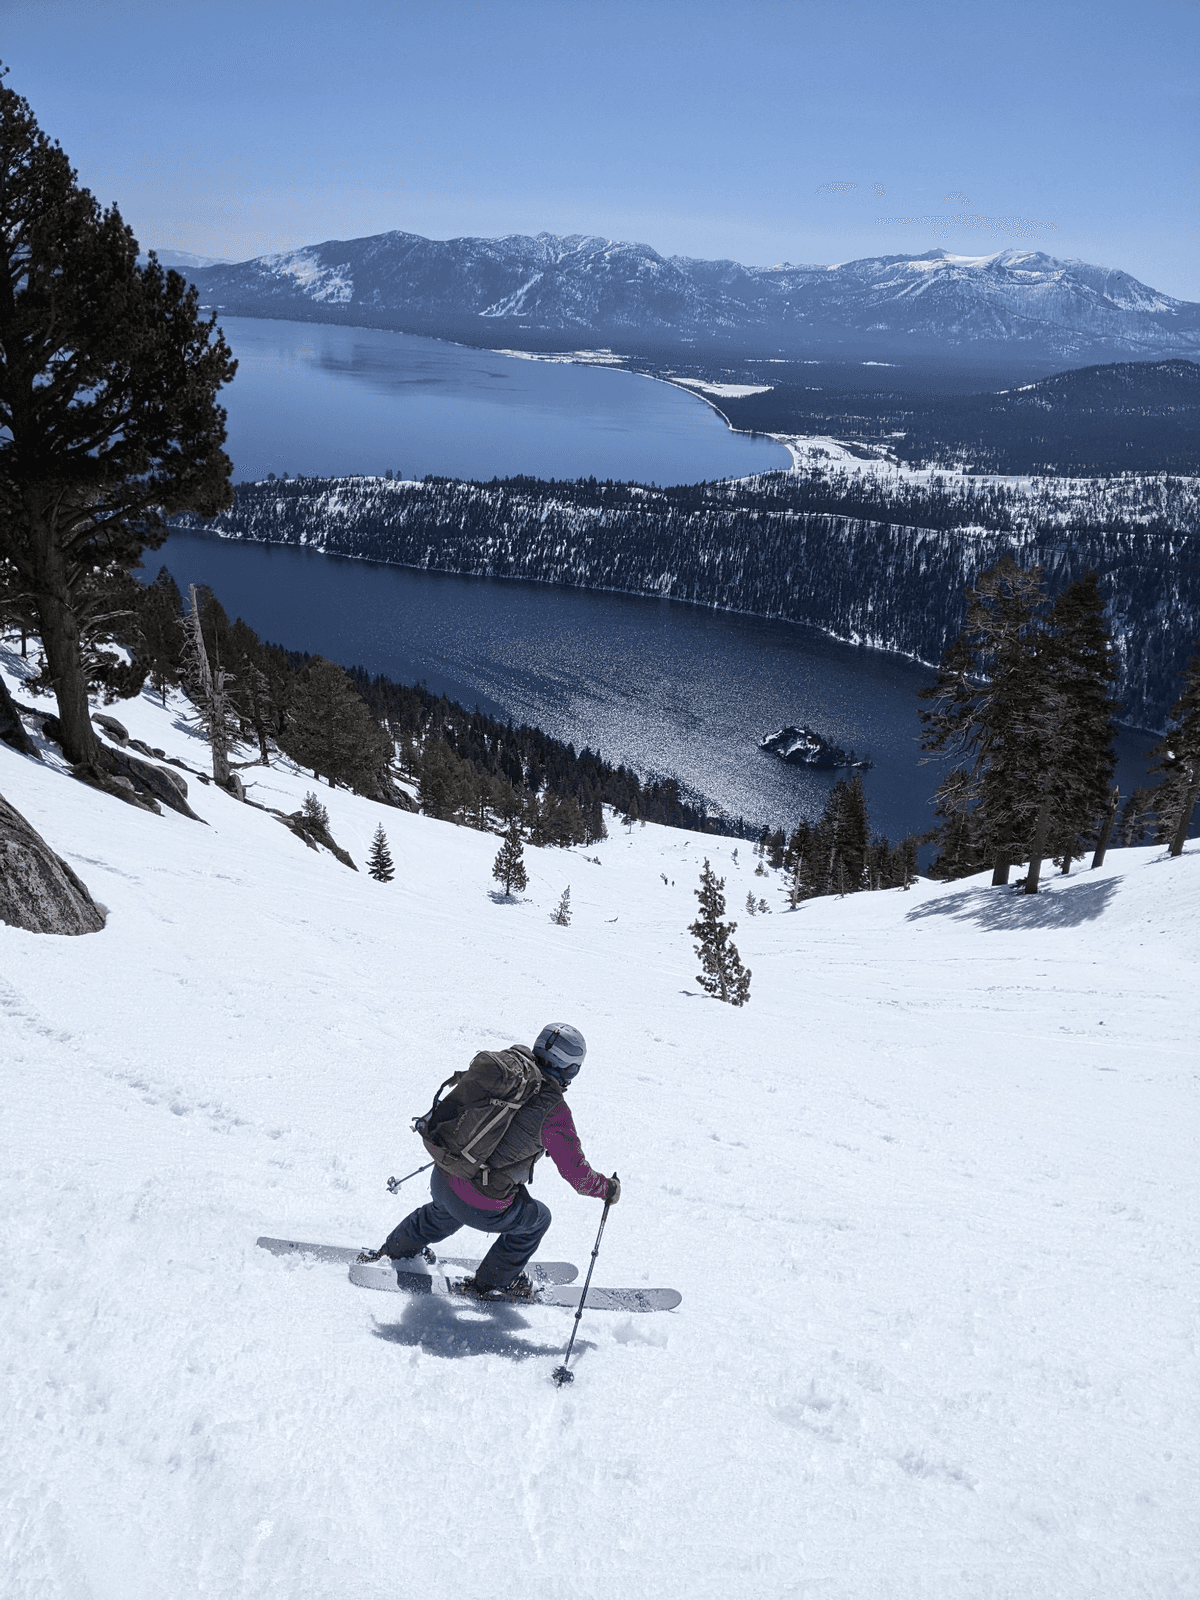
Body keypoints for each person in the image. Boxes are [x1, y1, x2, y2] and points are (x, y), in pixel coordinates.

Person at [374, 1023, 619, 1299]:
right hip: (481, 1206)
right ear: (571, 1069)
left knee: (447, 1209)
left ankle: (397, 1246)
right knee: (538, 1219)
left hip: (445, 1174)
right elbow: (579, 1176)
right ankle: (493, 1284)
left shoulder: (510, 1076)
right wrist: (608, 1189)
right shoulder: (554, 1112)